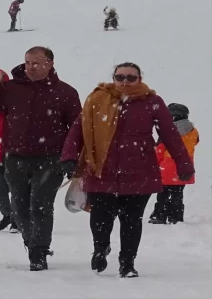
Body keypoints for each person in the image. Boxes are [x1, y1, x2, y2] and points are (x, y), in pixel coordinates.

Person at [60, 63, 194, 278]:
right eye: (120, 76)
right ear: (113, 77)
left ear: (139, 79)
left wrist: (184, 164)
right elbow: (78, 129)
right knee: (101, 217)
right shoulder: (98, 99)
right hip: (101, 169)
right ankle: (100, 248)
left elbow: (170, 135)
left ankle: (127, 262)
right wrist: (68, 157)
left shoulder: (152, 102)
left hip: (139, 170)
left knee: (132, 220)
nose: (124, 81)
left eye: (130, 78)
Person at [0, 46, 81, 271]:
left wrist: (73, 158)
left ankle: (39, 251)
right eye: (27, 62)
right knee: (19, 206)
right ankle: (30, 241)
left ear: (49, 63)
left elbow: (76, 129)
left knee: (41, 205)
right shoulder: (10, 88)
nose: (30, 67)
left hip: (51, 159)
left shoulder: (66, 92)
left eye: (36, 63)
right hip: (15, 157)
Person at [149, 103, 199, 224]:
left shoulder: (168, 132)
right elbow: (195, 142)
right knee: (178, 195)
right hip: (184, 168)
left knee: (163, 195)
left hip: (167, 169)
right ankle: (175, 217)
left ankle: (159, 216)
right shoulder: (193, 131)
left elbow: (159, 151)